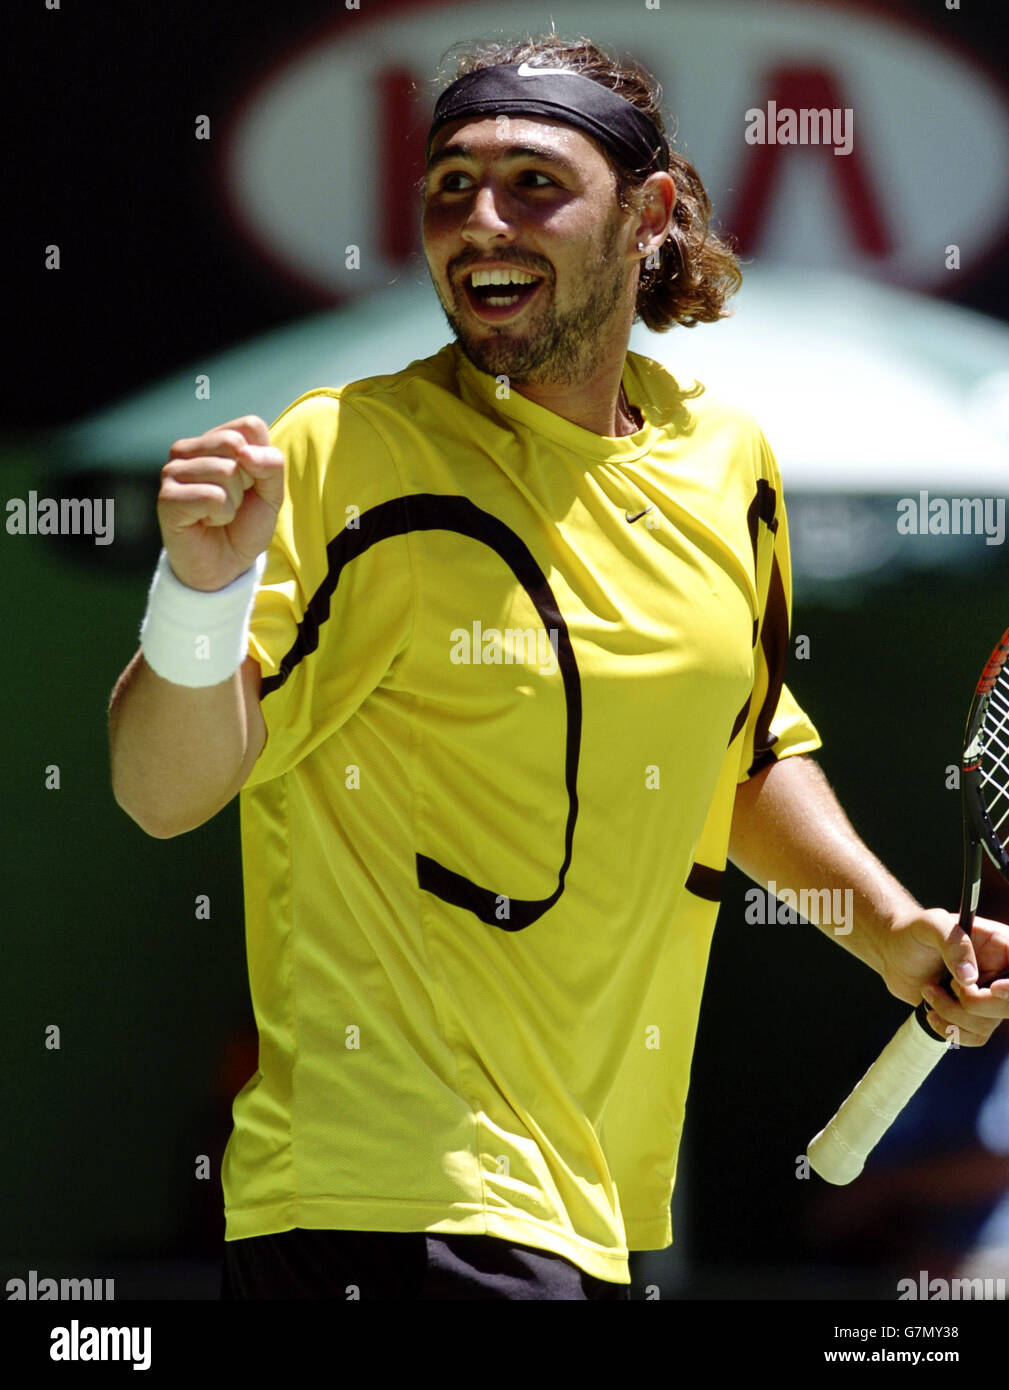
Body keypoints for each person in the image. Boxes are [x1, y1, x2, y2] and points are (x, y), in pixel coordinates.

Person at [106, 33, 1009, 1301]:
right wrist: (198, 592)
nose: (480, 220)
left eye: (534, 183)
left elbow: (739, 758)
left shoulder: (726, 459)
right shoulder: (344, 452)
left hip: (588, 1215)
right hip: (384, 1209)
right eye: (448, 187)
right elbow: (163, 789)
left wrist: (893, 932)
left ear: (652, 216)